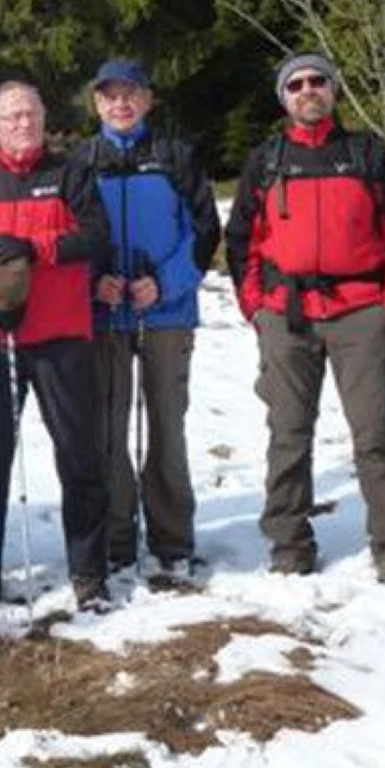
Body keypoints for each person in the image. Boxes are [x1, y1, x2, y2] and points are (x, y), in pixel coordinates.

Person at [225, 51, 385, 584]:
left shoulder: (366, 154)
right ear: (284, 98)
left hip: (360, 312)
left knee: (375, 430)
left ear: (333, 90)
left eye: (318, 81)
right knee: (288, 433)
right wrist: (254, 307)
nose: (308, 90)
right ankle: (290, 543)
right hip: (285, 315)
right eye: (296, 84)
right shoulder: (267, 161)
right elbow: (241, 240)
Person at [0, 81, 112, 612]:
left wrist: (33, 249)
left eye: (31, 114)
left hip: (61, 338)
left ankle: (89, 574)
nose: (23, 124)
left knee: (80, 457)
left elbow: (94, 236)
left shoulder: (70, 173)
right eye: (12, 116)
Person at [74, 60, 221, 579]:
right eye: (110, 96)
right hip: (106, 313)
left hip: (167, 312)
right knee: (108, 430)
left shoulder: (175, 156)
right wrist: (96, 280)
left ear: (148, 100)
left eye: (130, 94)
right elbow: (69, 232)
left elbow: (204, 232)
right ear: (97, 104)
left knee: (166, 426)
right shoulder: (82, 161)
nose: (121, 104)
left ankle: (172, 540)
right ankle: (116, 539)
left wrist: (164, 282)